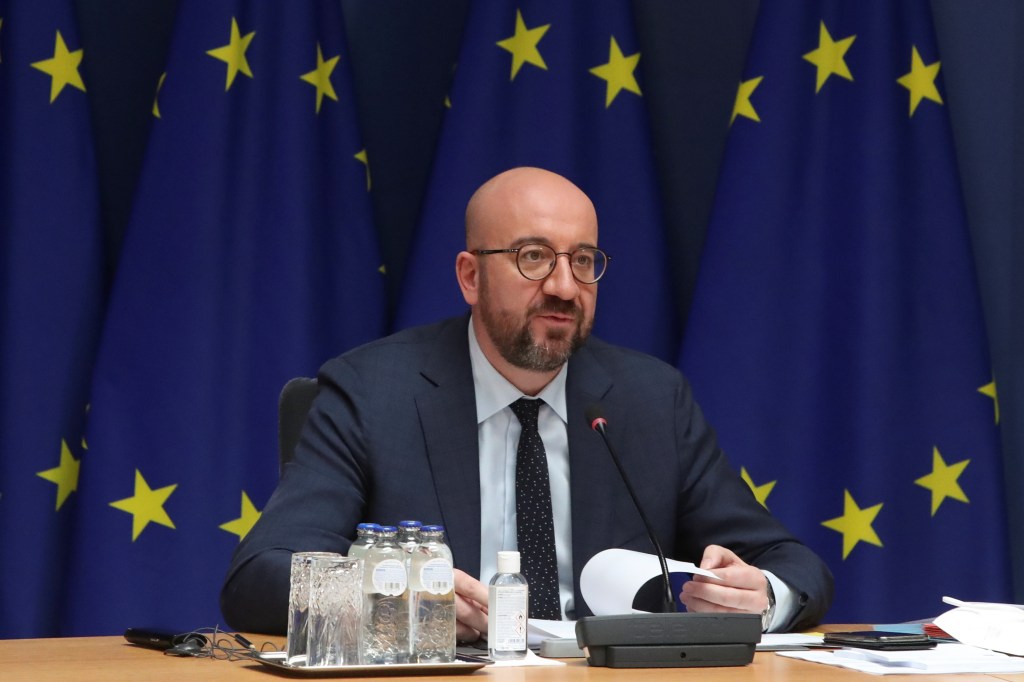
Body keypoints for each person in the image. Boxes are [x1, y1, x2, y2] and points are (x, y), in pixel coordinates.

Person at [220, 167, 833, 639]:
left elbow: (789, 561)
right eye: (532, 257)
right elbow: (260, 577)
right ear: (470, 276)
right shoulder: (372, 392)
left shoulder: (651, 400)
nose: (564, 287)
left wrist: (763, 597)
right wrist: (399, 602)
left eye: (583, 261)